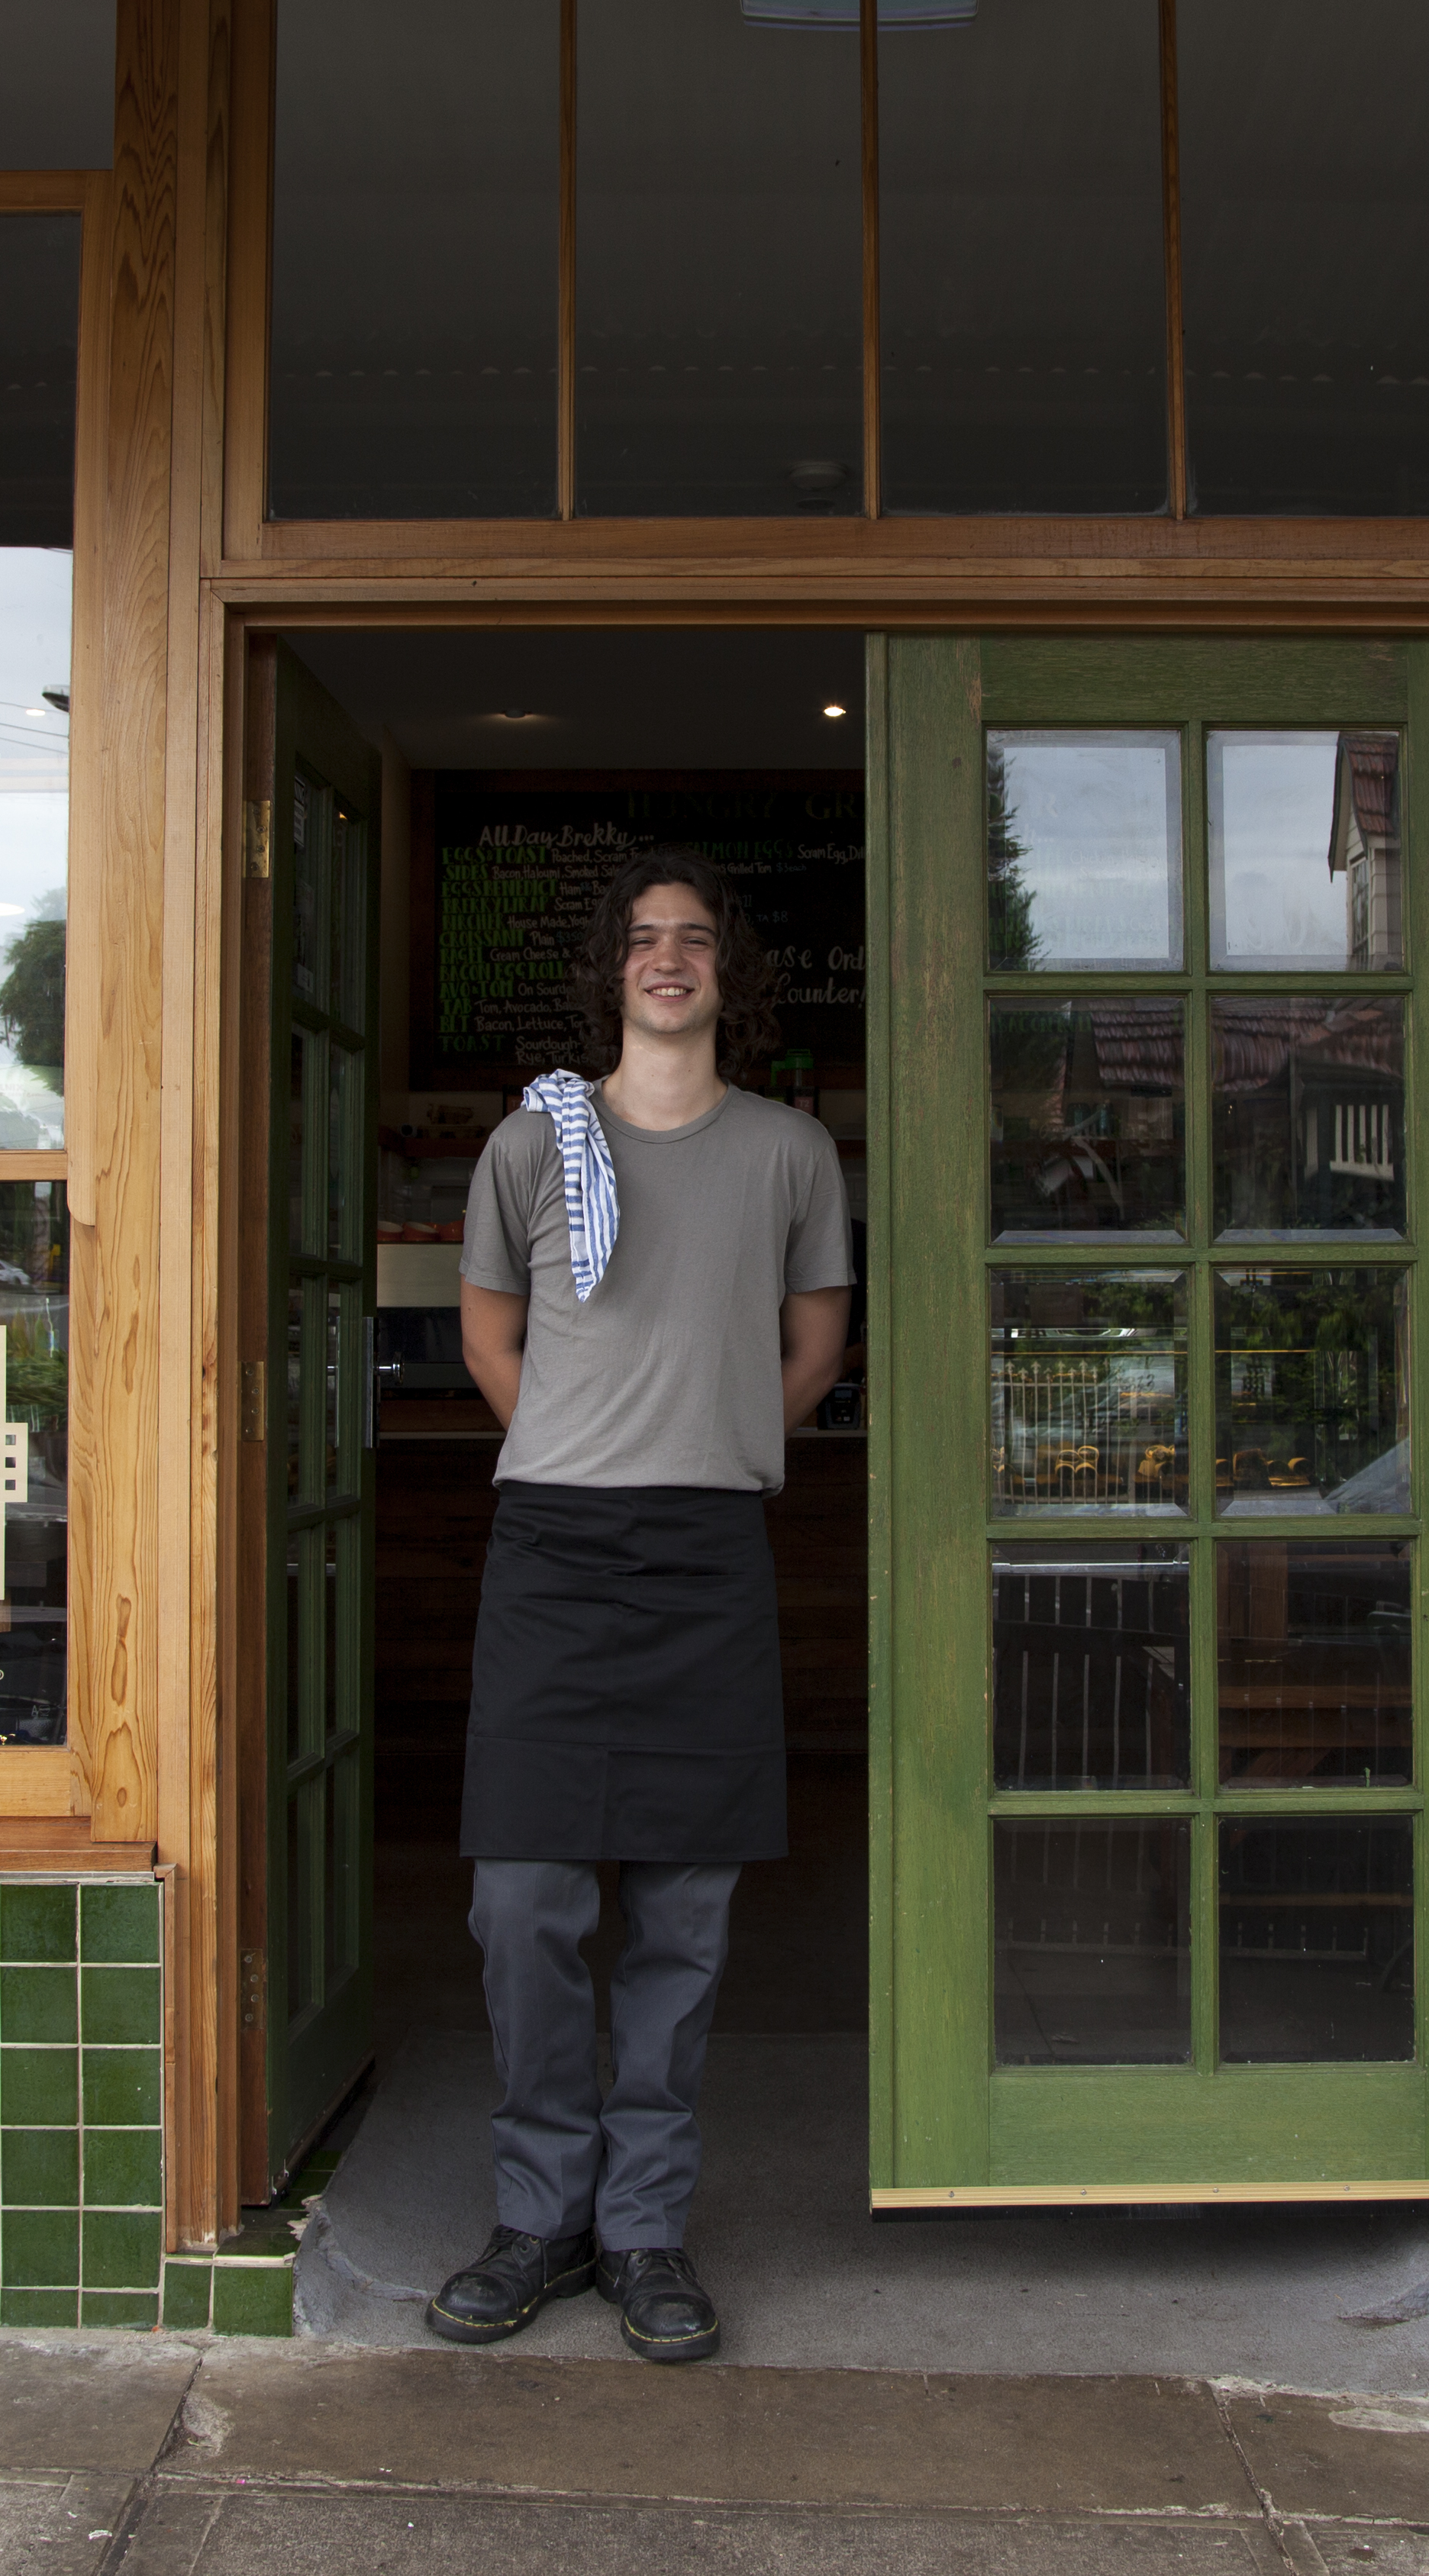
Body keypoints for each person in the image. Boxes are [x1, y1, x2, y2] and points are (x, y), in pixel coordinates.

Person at [431, 847, 853, 2365]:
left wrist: (715, 1443)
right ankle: (540, 2211)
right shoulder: (532, 1145)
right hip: (551, 1552)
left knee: (683, 1916)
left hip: (708, 1554)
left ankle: (644, 2230)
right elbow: (488, 1331)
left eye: (693, 940)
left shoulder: (792, 1151)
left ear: (728, 972)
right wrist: (571, 1439)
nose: (668, 959)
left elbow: (814, 1346)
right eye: (642, 941)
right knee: (520, 1901)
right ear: (611, 973)